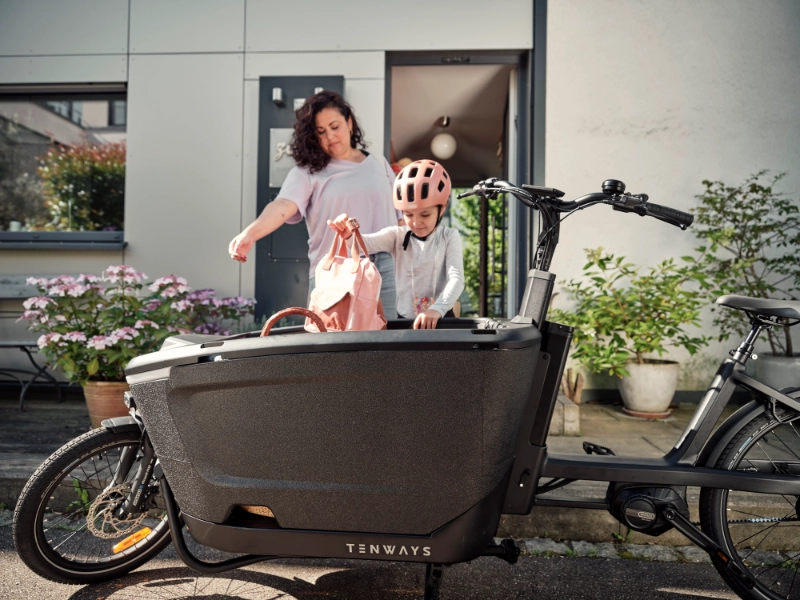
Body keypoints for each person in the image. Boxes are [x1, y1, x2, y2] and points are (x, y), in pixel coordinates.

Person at [228, 90, 399, 317]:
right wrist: (250, 234)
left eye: (335, 126)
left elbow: (401, 215)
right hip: (336, 269)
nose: (330, 136)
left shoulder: (378, 162)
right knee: (335, 338)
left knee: (389, 335)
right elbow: (282, 206)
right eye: (321, 132)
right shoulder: (307, 172)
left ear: (349, 122)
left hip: (385, 267)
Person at [328, 160, 464, 330]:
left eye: (425, 214)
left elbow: (456, 279)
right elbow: (365, 244)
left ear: (442, 208)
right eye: (408, 214)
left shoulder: (449, 236)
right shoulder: (397, 236)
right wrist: (348, 233)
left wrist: (437, 309)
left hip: (441, 319)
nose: (416, 222)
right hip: (406, 323)